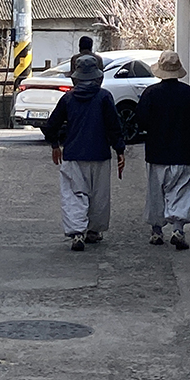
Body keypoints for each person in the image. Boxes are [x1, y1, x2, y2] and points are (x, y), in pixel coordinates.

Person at [43, 54, 126, 251]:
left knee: (74, 194)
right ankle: (93, 231)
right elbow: (114, 126)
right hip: (100, 153)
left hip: (73, 153)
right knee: (99, 195)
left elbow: (51, 125)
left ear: (76, 77)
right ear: (97, 76)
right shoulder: (104, 97)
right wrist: (119, 150)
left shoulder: (68, 98)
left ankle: (77, 232)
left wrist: (55, 144)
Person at [135, 50, 190, 250]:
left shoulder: (151, 93)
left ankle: (157, 231)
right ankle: (178, 229)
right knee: (180, 190)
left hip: (156, 152)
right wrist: (185, 133)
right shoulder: (188, 93)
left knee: (156, 192)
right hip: (182, 152)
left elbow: (140, 120)